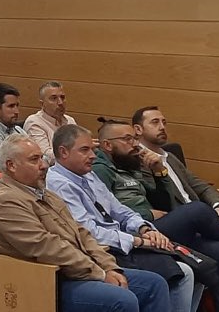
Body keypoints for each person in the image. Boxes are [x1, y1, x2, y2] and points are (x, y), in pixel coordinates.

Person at [92, 120, 219, 312]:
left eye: (135, 139)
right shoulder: (101, 170)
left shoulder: (129, 166)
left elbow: (161, 200)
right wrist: (146, 214)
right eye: (128, 139)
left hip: (154, 226)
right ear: (108, 145)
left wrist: (160, 172)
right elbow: (106, 212)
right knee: (197, 209)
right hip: (135, 234)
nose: (135, 144)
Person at [0, 134, 171, 312]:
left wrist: (109, 266)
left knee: (155, 284)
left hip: (77, 270)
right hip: (48, 281)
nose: (43, 165)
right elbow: (48, 248)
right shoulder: (5, 202)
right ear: (11, 165)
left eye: (42, 158)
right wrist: (100, 274)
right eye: (34, 160)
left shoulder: (45, 194)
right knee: (122, 299)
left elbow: (82, 233)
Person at [47, 125, 201, 312]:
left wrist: (145, 228)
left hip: (123, 241)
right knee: (182, 273)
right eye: (85, 150)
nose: (94, 156)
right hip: (105, 251)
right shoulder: (58, 184)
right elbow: (89, 232)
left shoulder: (88, 175)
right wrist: (138, 241)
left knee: (197, 267)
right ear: (63, 152)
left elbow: (119, 210)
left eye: (92, 150)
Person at [24, 81, 78, 165]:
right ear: (42, 104)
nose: (60, 102)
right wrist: (77, 153)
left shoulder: (70, 120)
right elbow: (45, 156)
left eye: (62, 97)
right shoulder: (34, 122)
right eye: (54, 98)